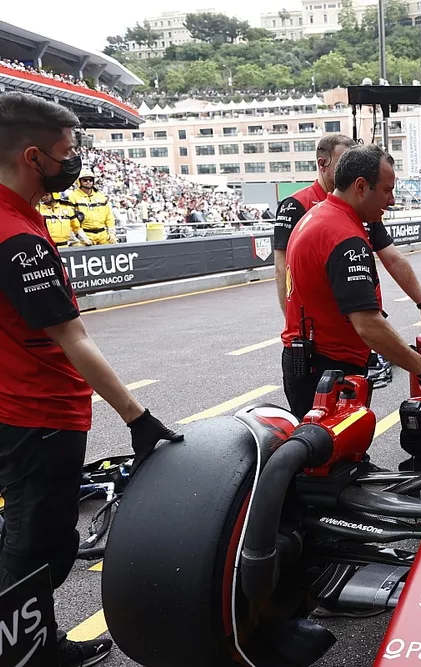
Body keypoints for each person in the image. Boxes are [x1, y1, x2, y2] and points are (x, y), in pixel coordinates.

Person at [0, 91, 180, 667]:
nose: (73, 162)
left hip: (12, 409)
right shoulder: (18, 238)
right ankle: (29, 651)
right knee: (39, 548)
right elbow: (72, 338)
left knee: (22, 537)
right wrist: (139, 417)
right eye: (67, 152)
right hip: (39, 415)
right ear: (33, 157)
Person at [281, 143, 421, 419]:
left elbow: (394, 260)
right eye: (387, 191)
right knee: (334, 454)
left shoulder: (319, 215)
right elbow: (369, 325)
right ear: (361, 187)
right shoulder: (344, 237)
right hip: (329, 367)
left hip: (309, 358)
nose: (392, 201)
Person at [273, 134, 355, 313]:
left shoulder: (357, 203)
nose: (349, 170)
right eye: (343, 163)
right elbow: (281, 269)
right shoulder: (295, 205)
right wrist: (292, 323)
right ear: (322, 163)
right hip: (312, 321)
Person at [67, 168, 116, 245]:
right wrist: (80, 236)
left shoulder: (101, 196)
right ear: (79, 182)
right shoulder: (72, 197)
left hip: (102, 234)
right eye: (85, 180)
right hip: (85, 233)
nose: (88, 182)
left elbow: (109, 216)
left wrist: (112, 232)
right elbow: (71, 220)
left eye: (90, 180)